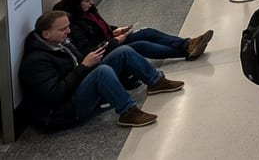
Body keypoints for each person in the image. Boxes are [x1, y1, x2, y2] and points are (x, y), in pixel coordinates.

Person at [19, 10, 183, 130]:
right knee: (102, 71)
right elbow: (55, 94)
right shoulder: (36, 62)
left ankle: (156, 81)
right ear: (46, 34)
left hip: (77, 87)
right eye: (63, 29)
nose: (68, 32)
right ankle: (127, 112)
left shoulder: (61, 43)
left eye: (68, 27)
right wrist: (84, 66)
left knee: (123, 51)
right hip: (62, 112)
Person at [54, 0, 213, 62]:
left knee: (147, 32)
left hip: (111, 40)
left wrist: (116, 30)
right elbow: (89, 50)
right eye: (87, 0)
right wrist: (116, 40)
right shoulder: (73, 24)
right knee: (141, 45)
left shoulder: (88, 11)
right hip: (104, 51)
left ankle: (188, 45)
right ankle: (187, 49)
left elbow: (101, 27)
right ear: (76, 2)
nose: (91, 3)